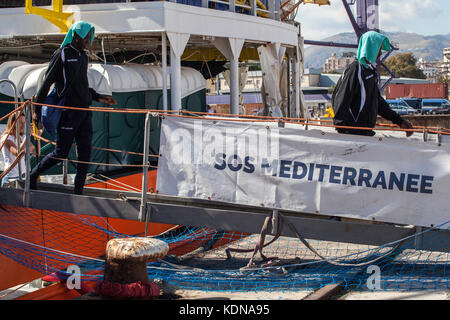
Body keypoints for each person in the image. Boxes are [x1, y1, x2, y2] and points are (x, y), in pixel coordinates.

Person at [30, 21, 116, 195]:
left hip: (84, 112)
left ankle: (78, 191)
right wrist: (37, 111)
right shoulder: (62, 54)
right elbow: (47, 82)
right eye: (86, 37)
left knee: (85, 152)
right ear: (76, 35)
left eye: (90, 38)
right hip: (68, 113)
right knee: (61, 153)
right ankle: (32, 175)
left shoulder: (84, 56)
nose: (88, 41)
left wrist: (99, 97)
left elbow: (82, 86)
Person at [331, 31, 413, 137]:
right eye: (378, 49)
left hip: (365, 133)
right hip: (353, 134)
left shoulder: (370, 71)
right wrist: (342, 130)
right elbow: (341, 98)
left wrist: (399, 121)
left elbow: (377, 102)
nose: (379, 53)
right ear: (370, 48)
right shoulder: (355, 69)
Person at [1, 112, 36, 186]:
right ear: (13, 123)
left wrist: (37, 135)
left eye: (24, 122)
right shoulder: (6, 138)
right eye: (20, 123)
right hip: (10, 177)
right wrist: (27, 135)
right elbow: (17, 153)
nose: (23, 125)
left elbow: (35, 152)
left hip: (23, 176)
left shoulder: (22, 137)